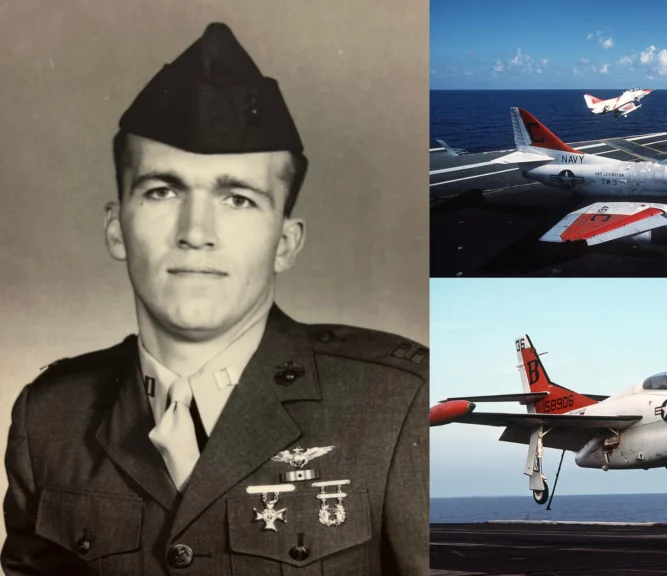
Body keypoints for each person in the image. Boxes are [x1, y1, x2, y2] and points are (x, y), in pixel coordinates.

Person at [1, 23, 429, 575]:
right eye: (162, 190)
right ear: (115, 228)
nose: (195, 231)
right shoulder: (50, 415)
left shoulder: (396, 405)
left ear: (285, 241)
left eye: (238, 198)